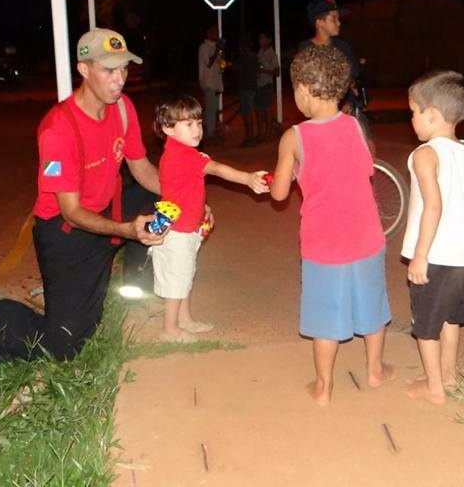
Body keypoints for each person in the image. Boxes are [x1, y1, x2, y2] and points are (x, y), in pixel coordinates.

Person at [0, 28, 164, 363]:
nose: (119, 79)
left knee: (165, 202)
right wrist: (126, 230)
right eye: (109, 70)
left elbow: (142, 169)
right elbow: (71, 212)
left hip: (109, 209)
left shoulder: (122, 108)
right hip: (68, 235)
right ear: (84, 69)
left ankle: (137, 292)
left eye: (124, 68)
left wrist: (189, 197)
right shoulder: (58, 129)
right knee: (62, 347)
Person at [269, 43, 395, 405]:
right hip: (366, 236)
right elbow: (363, 169)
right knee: (372, 304)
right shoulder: (355, 126)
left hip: (324, 243)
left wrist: (290, 172)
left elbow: (279, 194)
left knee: (325, 314)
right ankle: (375, 371)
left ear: (305, 90)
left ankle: (323, 387)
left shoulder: (294, 137)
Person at [151, 94, 269, 342]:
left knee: (184, 275)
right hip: (178, 231)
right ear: (167, 128)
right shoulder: (183, 156)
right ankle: (170, 329)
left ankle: (184, 320)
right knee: (177, 279)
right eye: (188, 124)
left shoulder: (180, 153)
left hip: (185, 226)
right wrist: (247, 179)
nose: (197, 130)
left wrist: (202, 207)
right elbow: (216, 169)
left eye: (199, 123)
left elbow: (183, 189)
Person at [400, 71, 464, 405]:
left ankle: (433, 388)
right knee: (451, 319)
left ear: (431, 114)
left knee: (426, 326)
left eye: (414, 113)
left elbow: (433, 205)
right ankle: (447, 375)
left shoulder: (424, 155)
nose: (413, 119)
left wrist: (420, 255)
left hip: (437, 257)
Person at [298, 0, 375, 155]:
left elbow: (353, 78)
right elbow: (304, 85)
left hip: (349, 109)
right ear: (319, 22)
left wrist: (349, 100)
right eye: (333, 19)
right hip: (321, 113)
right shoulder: (306, 49)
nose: (338, 23)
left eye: (338, 18)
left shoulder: (343, 46)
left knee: (369, 149)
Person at [197, 24, 224, 143]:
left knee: (212, 109)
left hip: (215, 82)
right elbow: (208, 63)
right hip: (208, 83)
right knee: (211, 110)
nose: (217, 34)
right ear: (208, 33)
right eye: (214, 32)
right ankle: (210, 134)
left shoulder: (215, 47)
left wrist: (221, 52)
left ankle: (210, 133)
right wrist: (218, 49)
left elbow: (220, 64)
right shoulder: (204, 47)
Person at [234, 33, 259, 147]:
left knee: (246, 114)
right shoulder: (254, 56)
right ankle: (251, 136)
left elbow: (238, 71)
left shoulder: (243, 57)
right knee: (250, 112)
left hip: (245, 87)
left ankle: (249, 138)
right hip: (253, 86)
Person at [255, 31, 280, 141]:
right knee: (259, 110)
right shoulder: (260, 52)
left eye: (263, 38)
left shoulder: (271, 54)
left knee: (267, 109)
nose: (261, 40)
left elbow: (277, 72)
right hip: (259, 84)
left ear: (269, 40)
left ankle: (267, 134)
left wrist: (263, 71)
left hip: (267, 85)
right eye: (260, 38)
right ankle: (260, 133)